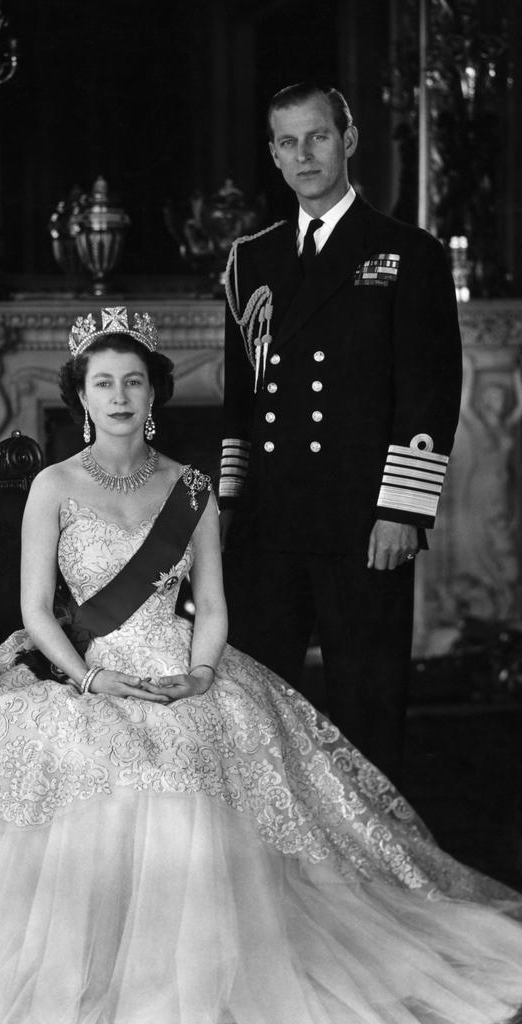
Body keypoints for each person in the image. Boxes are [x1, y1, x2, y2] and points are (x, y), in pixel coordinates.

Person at [0, 307, 521, 1024]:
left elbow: (213, 607)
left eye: (133, 381)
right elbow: (33, 611)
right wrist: (90, 681)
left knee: (199, 753)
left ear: (153, 391)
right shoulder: (51, 486)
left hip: (183, 672)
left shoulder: (191, 488)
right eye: (103, 383)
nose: (119, 395)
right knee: (98, 765)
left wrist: (201, 674)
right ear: (80, 397)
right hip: (86, 671)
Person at [219, 82, 463, 784]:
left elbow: (429, 394)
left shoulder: (408, 254)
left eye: (318, 136)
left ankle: (378, 858)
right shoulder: (250, 261)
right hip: (269, 521)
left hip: (364, 521)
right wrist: (232, 508)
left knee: (368, 704)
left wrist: (403, 512)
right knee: (258, 702)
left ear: (348, 139)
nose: (305, 153)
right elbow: (242, 401)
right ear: (273, 154)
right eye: (289, 142)